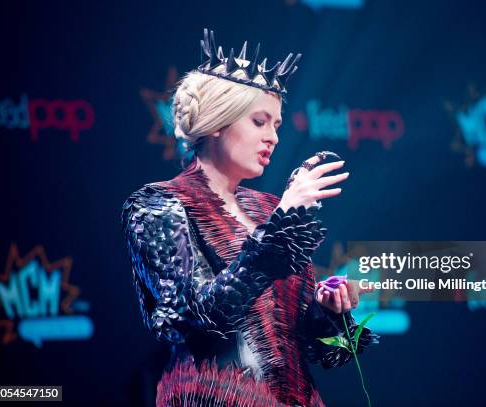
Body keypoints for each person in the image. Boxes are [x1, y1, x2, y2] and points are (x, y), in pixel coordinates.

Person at [121, 29, 378, 407]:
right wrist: (282, 225)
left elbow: (322, 351)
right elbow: (195, 319)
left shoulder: (269, 209)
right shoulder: (157, 204)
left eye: (276, 124)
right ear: (216, 123)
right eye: (260, 122)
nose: (273, 137)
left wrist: (329, 310)